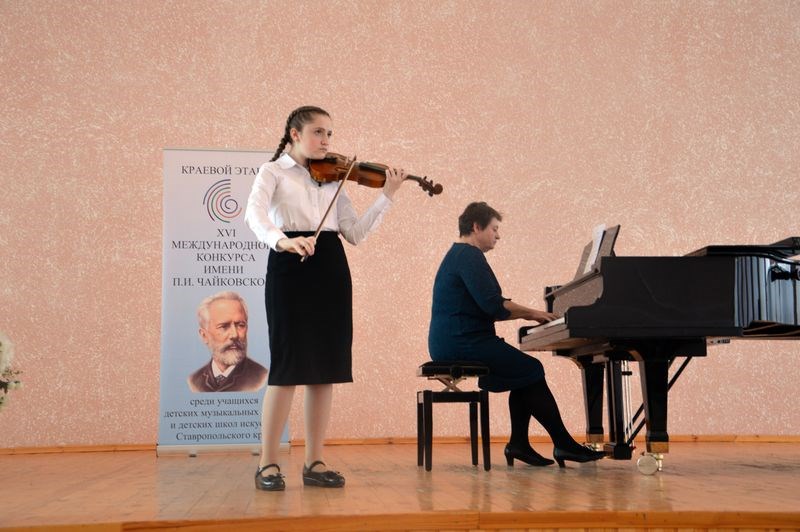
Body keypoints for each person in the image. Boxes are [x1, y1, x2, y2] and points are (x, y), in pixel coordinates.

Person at [245, 105, 407, 491]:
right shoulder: (273, 172)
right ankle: (267, 464)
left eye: (330, 134)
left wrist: (386, 197)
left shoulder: (334, 180)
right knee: (287, 368)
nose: (327, 142)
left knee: (324, 370)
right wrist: (283, 241)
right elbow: (254, 217)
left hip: (330, 268)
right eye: (319, 132)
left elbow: (354, 233)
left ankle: (314, 462)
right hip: (290, 265)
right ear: (295, 134)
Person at [428, 202, 605, 468]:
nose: (498, 236)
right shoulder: (468, 256)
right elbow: (494, 305)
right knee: (531, 369)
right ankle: (562, 444)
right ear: (477, 227)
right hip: (461, 341)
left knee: (525, 373)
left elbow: (490, 304)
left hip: (455, 339)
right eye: (494, 229)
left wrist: (528, 314)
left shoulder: (459, 255)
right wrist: (533, 313)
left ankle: (520, 444)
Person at [188, 291, 268, 393]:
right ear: (204, 335)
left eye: (240, 325)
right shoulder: (194, 381)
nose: (234, 335)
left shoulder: (262, 378)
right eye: (224, 326)